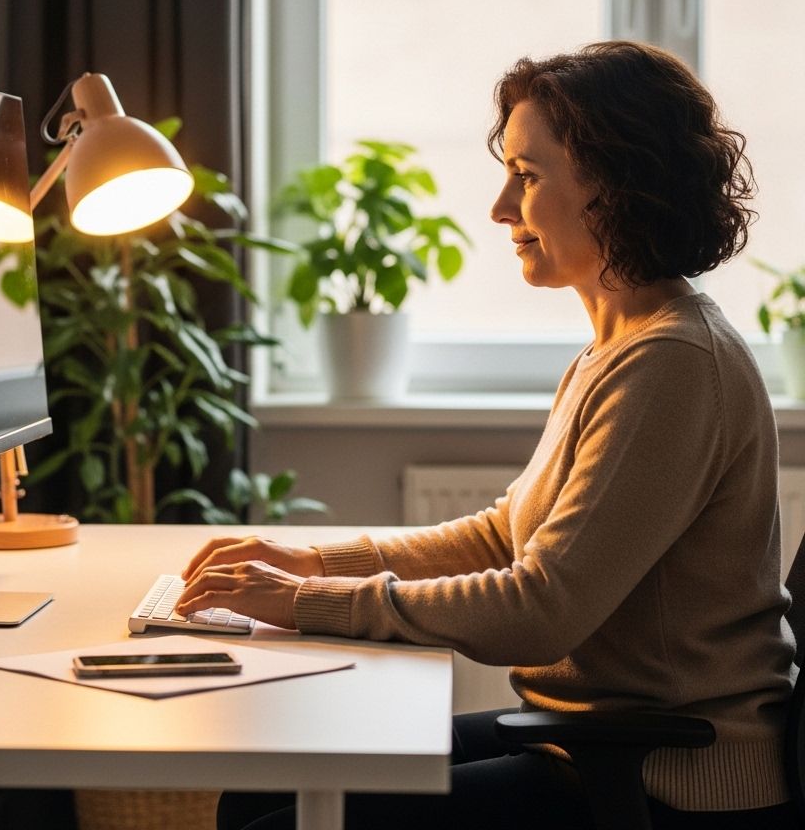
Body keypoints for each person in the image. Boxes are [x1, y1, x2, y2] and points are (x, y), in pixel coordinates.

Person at [176, 40, 798, 830]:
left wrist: (310, 603)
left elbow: (541, 608)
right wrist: (315, 563)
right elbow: (505, 536)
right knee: (270, 788)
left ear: (618, 185)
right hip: (595, 746)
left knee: (283, 822)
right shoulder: (622, 343)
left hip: (671, 782)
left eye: (527, 176)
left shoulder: (670, 364)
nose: (502, 207)